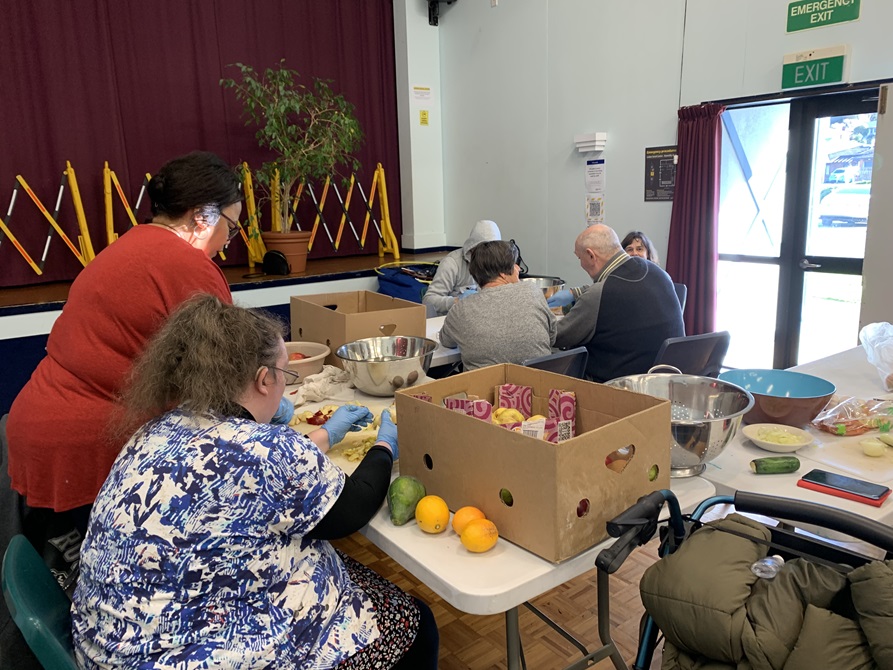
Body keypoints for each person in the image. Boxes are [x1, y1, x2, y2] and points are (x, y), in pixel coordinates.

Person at [71, 294, 438, 669]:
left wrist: (326, 435)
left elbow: (238, 470)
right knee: (417, 624)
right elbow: (354, 507)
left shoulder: (154, 430)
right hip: (190, 653)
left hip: (107, 647)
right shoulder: (267, 451)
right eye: (286, 375)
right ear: (264, 380)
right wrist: (385, 444)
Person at [5, 151, 243, 582]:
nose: (230, 240)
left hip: (40, 424)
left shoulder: (132, 244)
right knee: (116, 577)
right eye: (232, 225)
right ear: (202, 215)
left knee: (75, 580)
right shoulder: (187, 265)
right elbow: (227, 374)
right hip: (85, 446)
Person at [554, 224, 684, 382]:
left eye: (579, 257)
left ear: (590, 255)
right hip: (664, 384)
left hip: (617, 389)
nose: (580, 263)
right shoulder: (661, 274)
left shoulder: (599, 295)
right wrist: (575, 293)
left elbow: (557, 335)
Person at [439, 240, 556, 369]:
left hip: (486, 387)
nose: (518, 268)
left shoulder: (460, 310)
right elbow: (551, 337)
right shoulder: (532, 291)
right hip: (539, 384)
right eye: (514, 264)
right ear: (502, 273)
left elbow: (446, 341)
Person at [549, 228, 661, 310]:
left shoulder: (647, 279)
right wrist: (574, 293)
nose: (635, 253)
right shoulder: (660, 276)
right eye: (630, 249)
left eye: (640, 249)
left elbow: (606, 291)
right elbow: (609, 287)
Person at [422, 219, 501, 315]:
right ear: (472, 249)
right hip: (453, 321)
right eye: (482, 251)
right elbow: (428, 300)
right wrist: (455, 301)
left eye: (490, 252)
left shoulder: (498, 263)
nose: (486, 257)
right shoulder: (452, 263)